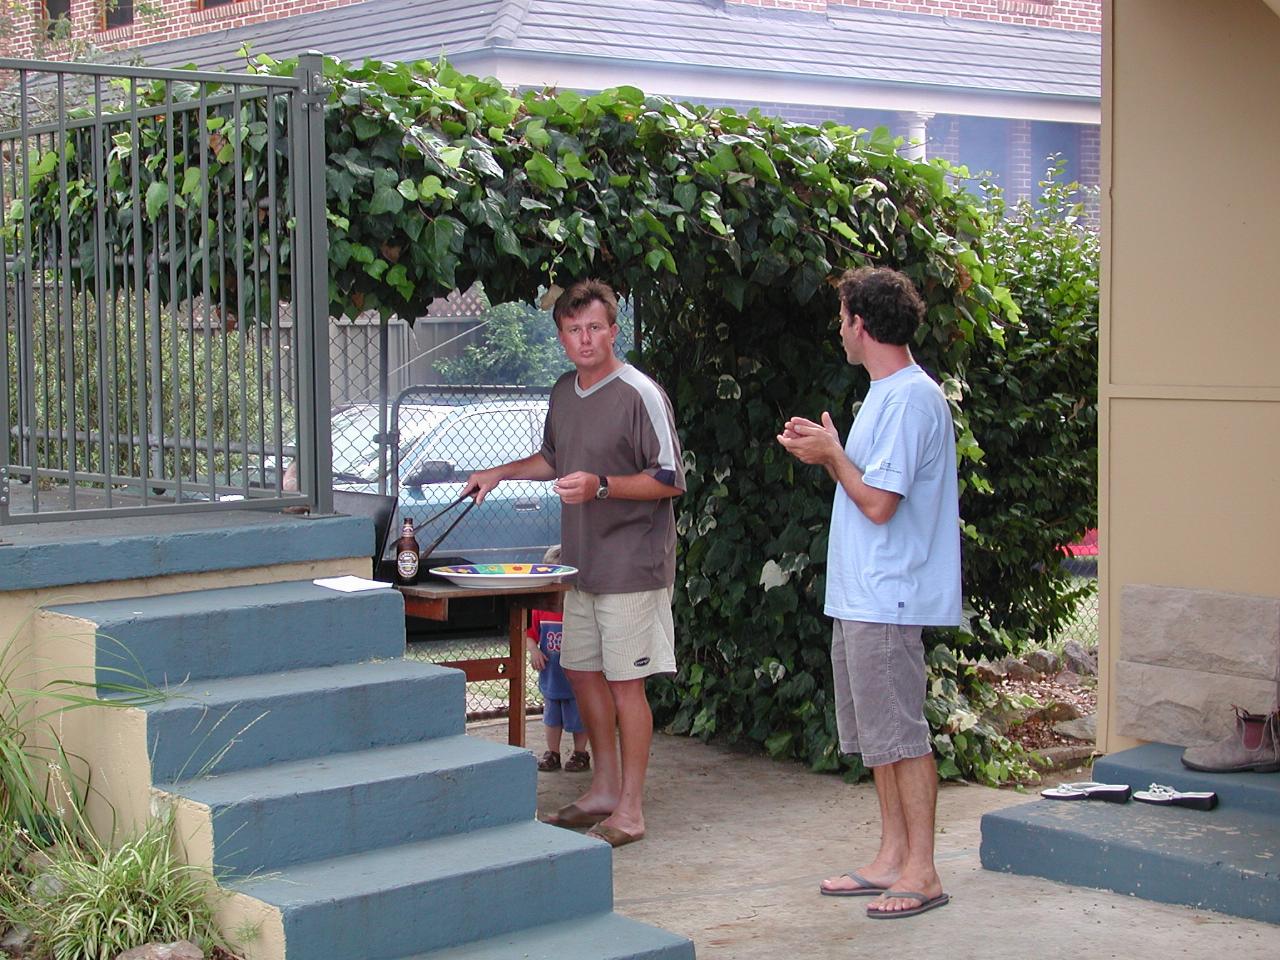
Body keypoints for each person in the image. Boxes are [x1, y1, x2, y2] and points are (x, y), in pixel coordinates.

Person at [464, 279, 685, 849]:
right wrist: (498, 472)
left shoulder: (641, 393)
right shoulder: (564, 391)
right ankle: (604, 791)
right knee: (583, 672)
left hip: (634, 567)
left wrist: (602, 487)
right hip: (578, 566)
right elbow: (553, 459)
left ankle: (631, 810)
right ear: (561, 337)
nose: (585, 339)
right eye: (573, 330)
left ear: (614, 331)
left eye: (594, 327)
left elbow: (668, 479)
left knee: (626, 685)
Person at [777, 266, 960, 920]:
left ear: (862, 323)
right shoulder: (884, 393)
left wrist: (831, 454)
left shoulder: (912, 398)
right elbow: (869, 489)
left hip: (890, 599)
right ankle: (890, 858)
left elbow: (879, 503)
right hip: (861, 599)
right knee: (880, 737)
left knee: (902, 736)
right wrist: (829, 450)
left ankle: (923, 871)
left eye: (843, 317)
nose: (840, 329)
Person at [527, 547, 591, 774]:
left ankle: (580, 753)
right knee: (552, 716)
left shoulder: (580, 608)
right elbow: (530, 634)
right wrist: (534, 650)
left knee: (579, 716)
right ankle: (552, 752)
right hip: (552, 674)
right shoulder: (541, 609)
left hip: (577, 676)